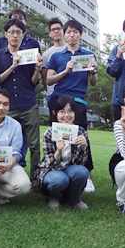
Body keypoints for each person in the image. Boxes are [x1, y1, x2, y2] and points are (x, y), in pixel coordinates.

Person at [46, 19, 97, 192]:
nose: (71, 35)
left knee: (82, 136)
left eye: (75, 32)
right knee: (57, 136)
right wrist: (65, 71)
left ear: (80, 35)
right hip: (59, 98)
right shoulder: (57, 56)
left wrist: (93, 71)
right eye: (68, 32)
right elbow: (49, 80)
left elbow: (94, 82)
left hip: (79, 100)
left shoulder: (88, 55)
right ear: (64, 34)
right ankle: (53, 166)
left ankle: (86, 174)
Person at [0, 19, 43, 177]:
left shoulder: (28, 54)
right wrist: (13, 66)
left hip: (28, 103)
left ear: (23, 35)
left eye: (18, 32)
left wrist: (38, 69)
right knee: (3, 142)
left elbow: (33, 83)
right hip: (7, 106)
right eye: (11, 32)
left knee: (34, 144)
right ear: (5, 34)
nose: (15, 35)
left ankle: (35, 178)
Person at [33, 96, 90, 209]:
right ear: (55, 113)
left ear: (75, 113)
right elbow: (50, 164)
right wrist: (58, 151)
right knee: (59, 180)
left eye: (70, 111)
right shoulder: (49, 133)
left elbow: (80, 163)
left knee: (82, 172)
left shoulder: (81, 132)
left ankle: (75, 198)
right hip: (52, 170)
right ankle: (55, 196)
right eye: (62, 111)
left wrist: (83, 148)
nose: (66, 115)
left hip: (71, 167)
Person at [42, 18, 67, 104]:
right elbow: (45, 78)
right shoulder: (46, 54)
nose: (56, 31)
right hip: (53, 95)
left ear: (63, 31)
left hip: (70, 93)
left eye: (58, 29)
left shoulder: (71, 49)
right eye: (53, 30)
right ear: (50, 34)